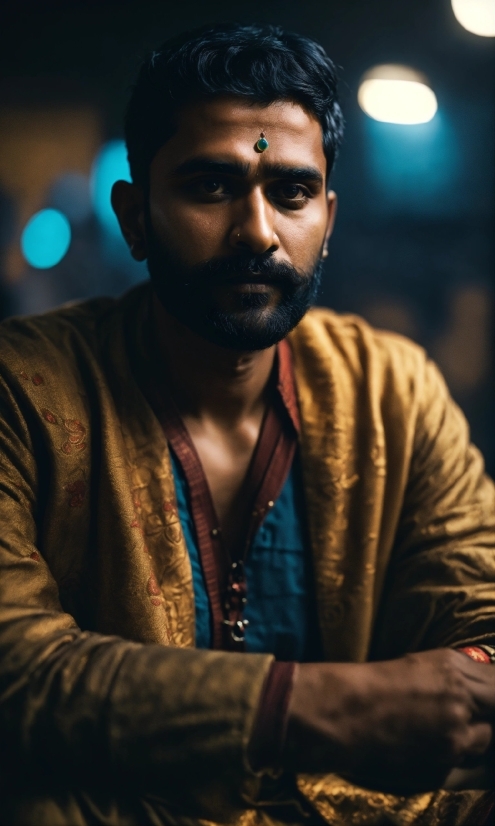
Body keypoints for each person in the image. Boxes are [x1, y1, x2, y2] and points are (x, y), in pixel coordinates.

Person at [0, 23, 494, 826]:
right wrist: (310, 707)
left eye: (290, 193)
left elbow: (483, 617)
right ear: (134, 217)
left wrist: (464, 678)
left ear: (326, 219)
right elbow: (16, 670)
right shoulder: (23, 390)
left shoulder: (391, 391)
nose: (257, 231)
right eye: (209, 187)